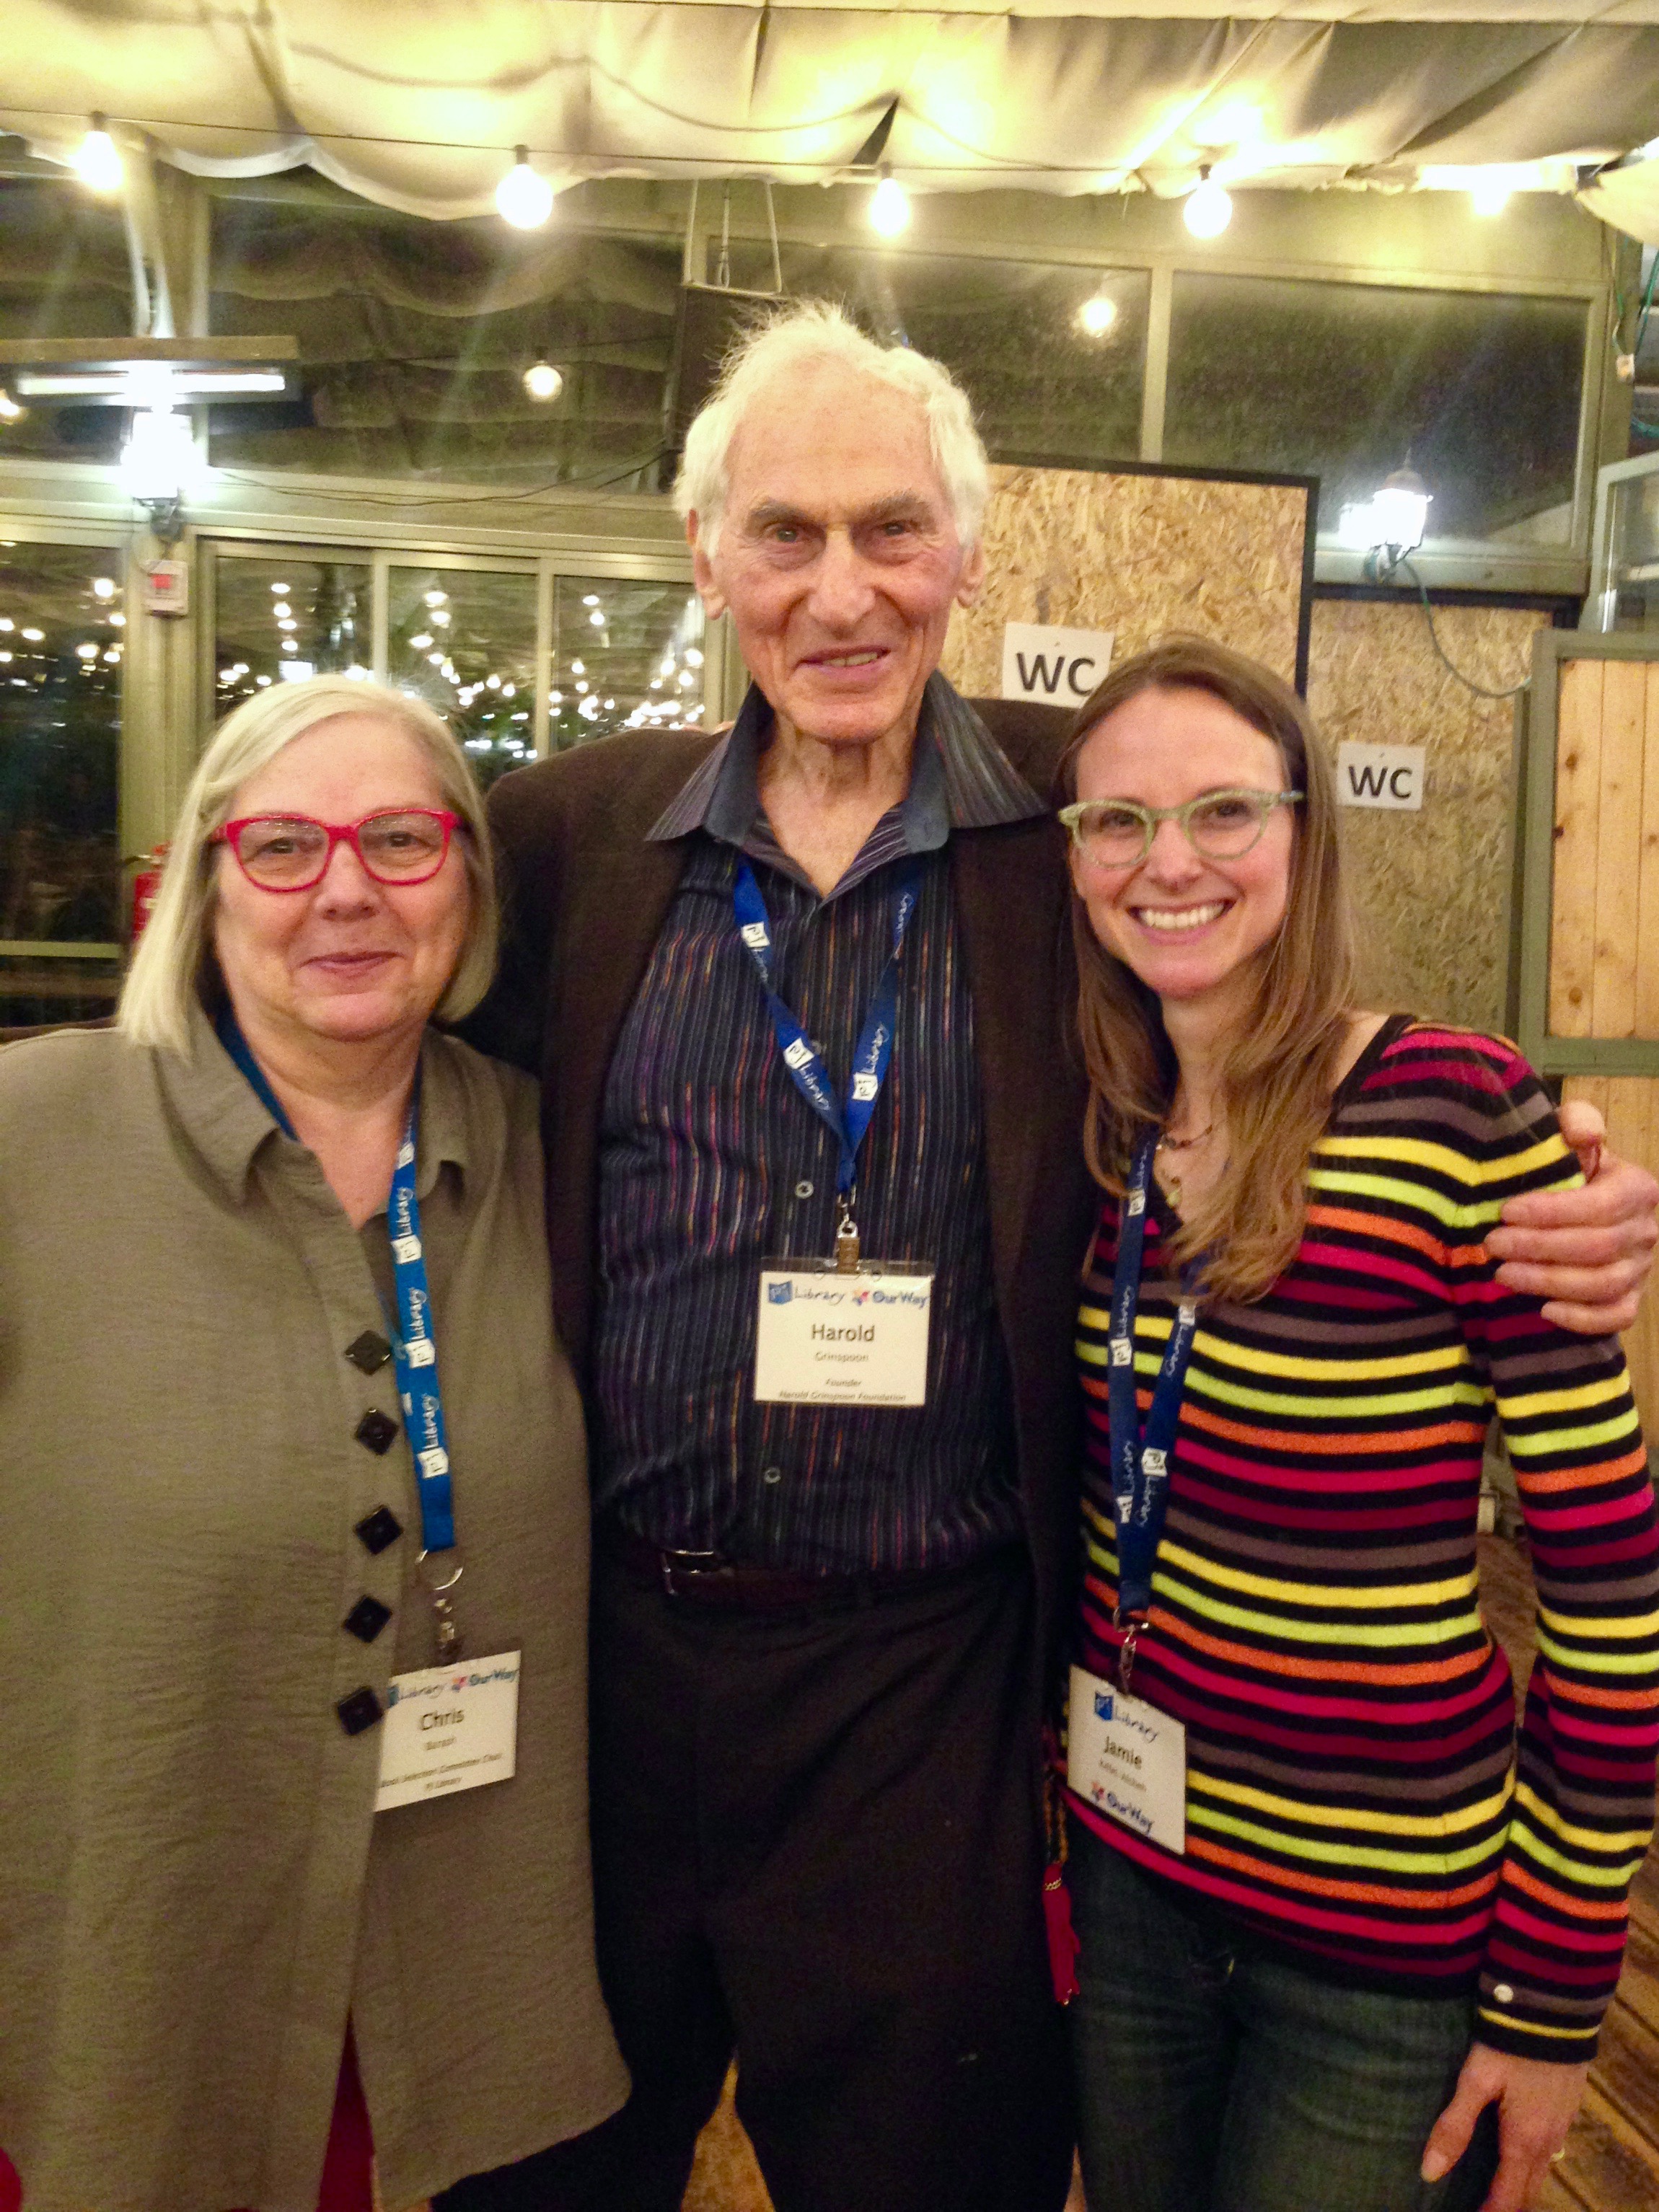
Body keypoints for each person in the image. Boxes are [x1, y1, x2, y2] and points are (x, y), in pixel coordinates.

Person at [444, 303, 1658, 2212]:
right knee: (543, 2164)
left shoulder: (1068, 825)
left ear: (964, 554)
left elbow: (1265, 987)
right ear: (704, 557)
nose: (839, 590)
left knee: (936, 2170)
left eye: (888, 529)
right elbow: (371, 1068)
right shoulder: (574, 836)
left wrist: (1542, 1161)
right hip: (610, 1661)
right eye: (784, 534)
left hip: (927, 1689)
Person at [0, 675, 626, 2212]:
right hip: (147, 1966)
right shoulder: (33, 1136)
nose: (344, 889)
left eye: (400, 840)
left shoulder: (560, 1155)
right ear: (204, 880)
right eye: (283, 847)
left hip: (470, 1978)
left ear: (468, 884)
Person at [1055, 635, 1659, 2212]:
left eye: (1223, 813)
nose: (1166, 862)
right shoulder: (1104, 1130)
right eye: (1116, 823)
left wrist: (1550, 1999)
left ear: (1305, 836)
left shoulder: (1455, 1112)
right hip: (1135, 1890)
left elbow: (1605, 1601)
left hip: (1383, 1943)